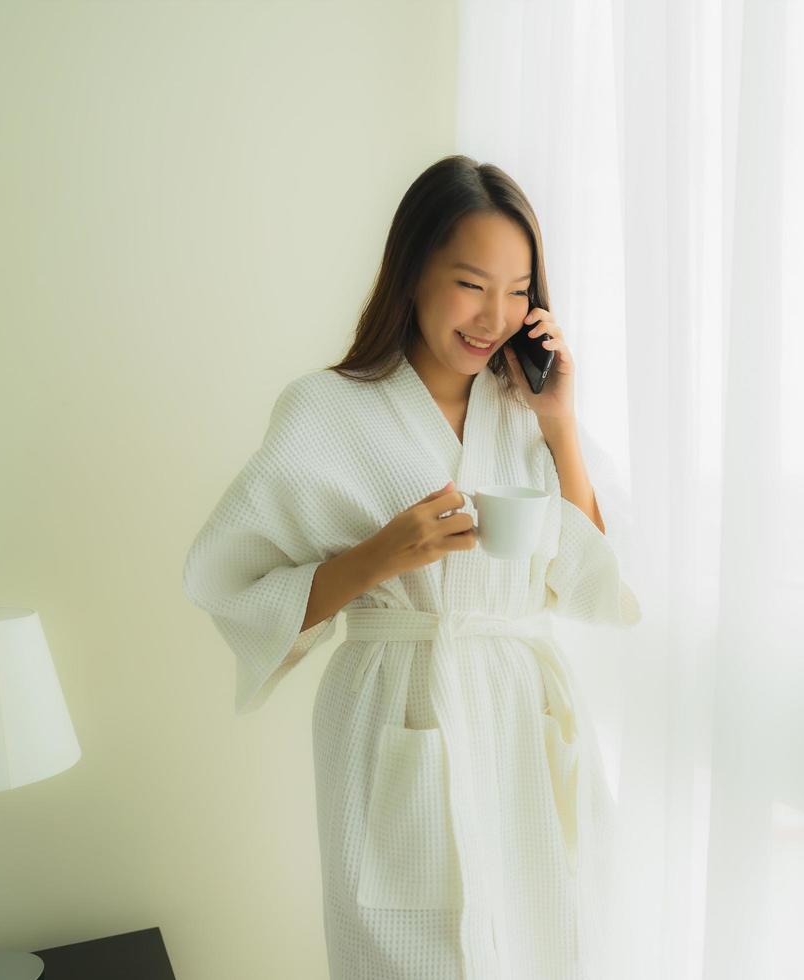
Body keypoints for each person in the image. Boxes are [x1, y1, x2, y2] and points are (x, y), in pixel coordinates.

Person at [181, 154, 642, 980]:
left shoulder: (524, 408)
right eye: (471, 283)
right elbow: (234, 591)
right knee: (408, 949)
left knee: (541, 938)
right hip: (398, 703)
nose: (495, 316)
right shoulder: (327, 410)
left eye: (518, 289)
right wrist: (380, 557)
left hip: (518, 710)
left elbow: (591, 577)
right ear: (413, 271)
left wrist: (561, 423)